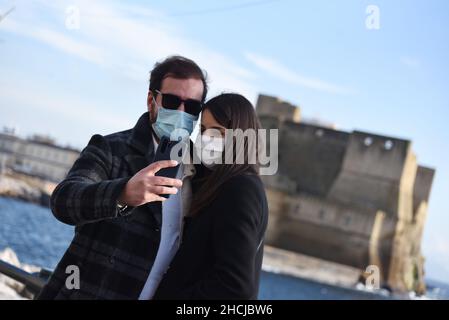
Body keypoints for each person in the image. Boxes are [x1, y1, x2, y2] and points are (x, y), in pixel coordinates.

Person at [37, 55, 208, 299]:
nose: (182, 112)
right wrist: (123, 193)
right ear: (152, 100)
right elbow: (63, 201)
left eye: (192, 107)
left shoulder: (201, 174)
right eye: (171, 101)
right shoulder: (110, 148)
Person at [152, 93, 269, 300]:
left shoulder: (241, 189)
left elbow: (235, 286)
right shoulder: (218, 183)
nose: (207, 139)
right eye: (204, 130)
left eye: (219, 132)